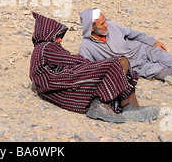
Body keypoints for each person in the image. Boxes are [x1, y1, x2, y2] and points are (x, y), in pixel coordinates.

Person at [30, 12, 160, 123]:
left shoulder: (41, 50)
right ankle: (104, 103)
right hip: (61, 81)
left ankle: (129, 106)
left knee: (118, 66)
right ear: (47, 35)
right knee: (120, 63)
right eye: (57, 36)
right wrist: (95, 65)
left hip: (57, 84)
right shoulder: (46, 47)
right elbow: (71, 60)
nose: (60, 40)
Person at [78, 8, 172, 91]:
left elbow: (134, 34)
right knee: (166, 74)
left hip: (142, 50)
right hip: (136, 67)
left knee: (171, 60)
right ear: (91, 28)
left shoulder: (113, 26)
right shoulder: (86, 47)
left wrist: (153, 41)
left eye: (105, 21)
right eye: (102, 24)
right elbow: (89, 68)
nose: (107, 25)